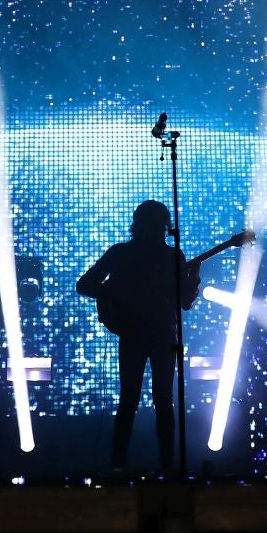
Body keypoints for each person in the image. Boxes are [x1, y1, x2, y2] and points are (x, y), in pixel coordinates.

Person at [77, 200, 198, 475]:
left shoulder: (162, 256)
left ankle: (128, 464)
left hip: (151, 333)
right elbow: (84, 285)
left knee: (144, 399)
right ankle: (156, 464)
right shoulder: (138, 254)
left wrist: (193, 281)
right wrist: (116, 294)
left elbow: (184, 301)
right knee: (150, 400)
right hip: (144, 332)